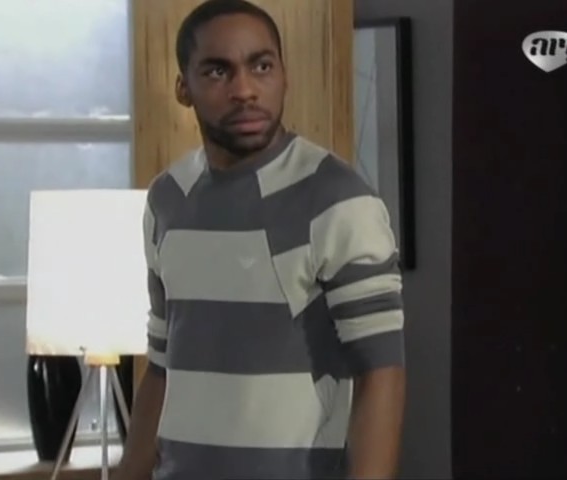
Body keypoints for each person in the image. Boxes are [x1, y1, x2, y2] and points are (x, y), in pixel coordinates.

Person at [114, 0, 406, 478]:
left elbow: (382, 372)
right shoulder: (168, 198)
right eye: (218, 71)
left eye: (261, 66)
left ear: (284, 76)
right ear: (183, 88)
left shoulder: (336, 199)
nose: (245, 90)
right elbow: (162, 368)